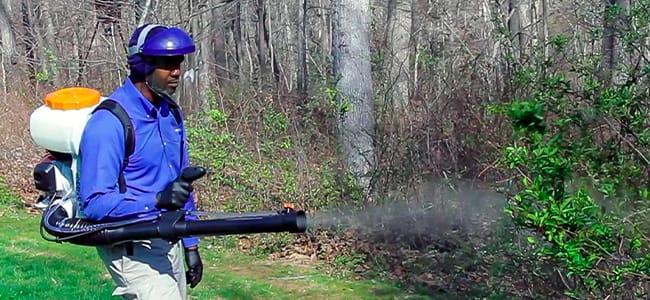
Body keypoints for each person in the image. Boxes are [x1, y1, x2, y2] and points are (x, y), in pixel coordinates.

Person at [78, 24, 203, 299]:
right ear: (142, 64)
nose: (177, 71)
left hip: (168, 236)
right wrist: (157, 200)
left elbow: (181, 183)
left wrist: (191, 245)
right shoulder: (109, 123)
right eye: (168, 63)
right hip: (131, 243)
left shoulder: (170, 113)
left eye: (179, 62)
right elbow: (94, 203)